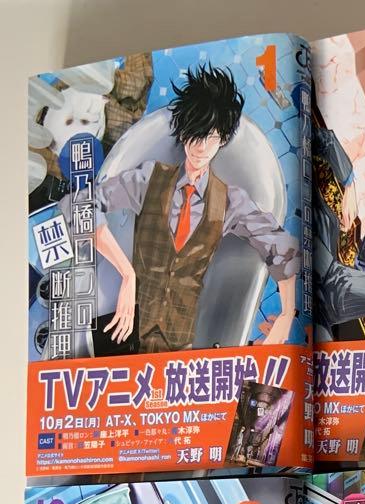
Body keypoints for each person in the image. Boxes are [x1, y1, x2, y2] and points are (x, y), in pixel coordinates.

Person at [91, 64, 299, 352]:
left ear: (223, 139)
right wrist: (127, 274)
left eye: (212, 137)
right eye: (196, 135)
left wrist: (286, 315)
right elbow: (82, 207)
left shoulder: (230, 201)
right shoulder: (150, 179)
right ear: (184, 132)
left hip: (180, 348)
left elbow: (283, 247)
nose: (201, 148)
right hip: (124, 335)